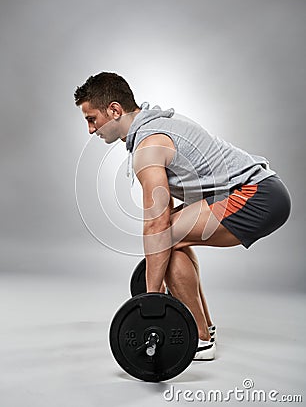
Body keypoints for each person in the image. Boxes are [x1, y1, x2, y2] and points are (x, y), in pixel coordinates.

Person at [74, 72, 291, 360]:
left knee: (166, 239)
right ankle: (205, 330)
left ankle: (199, 339)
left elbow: (156, 224)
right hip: (258, 191)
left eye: (92, 119)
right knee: (172, 240)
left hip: (257, 195)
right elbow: (167, 215)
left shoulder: (148, 146)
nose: (91, 129)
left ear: (114, 110)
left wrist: (150, 302)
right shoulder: (155, 126)